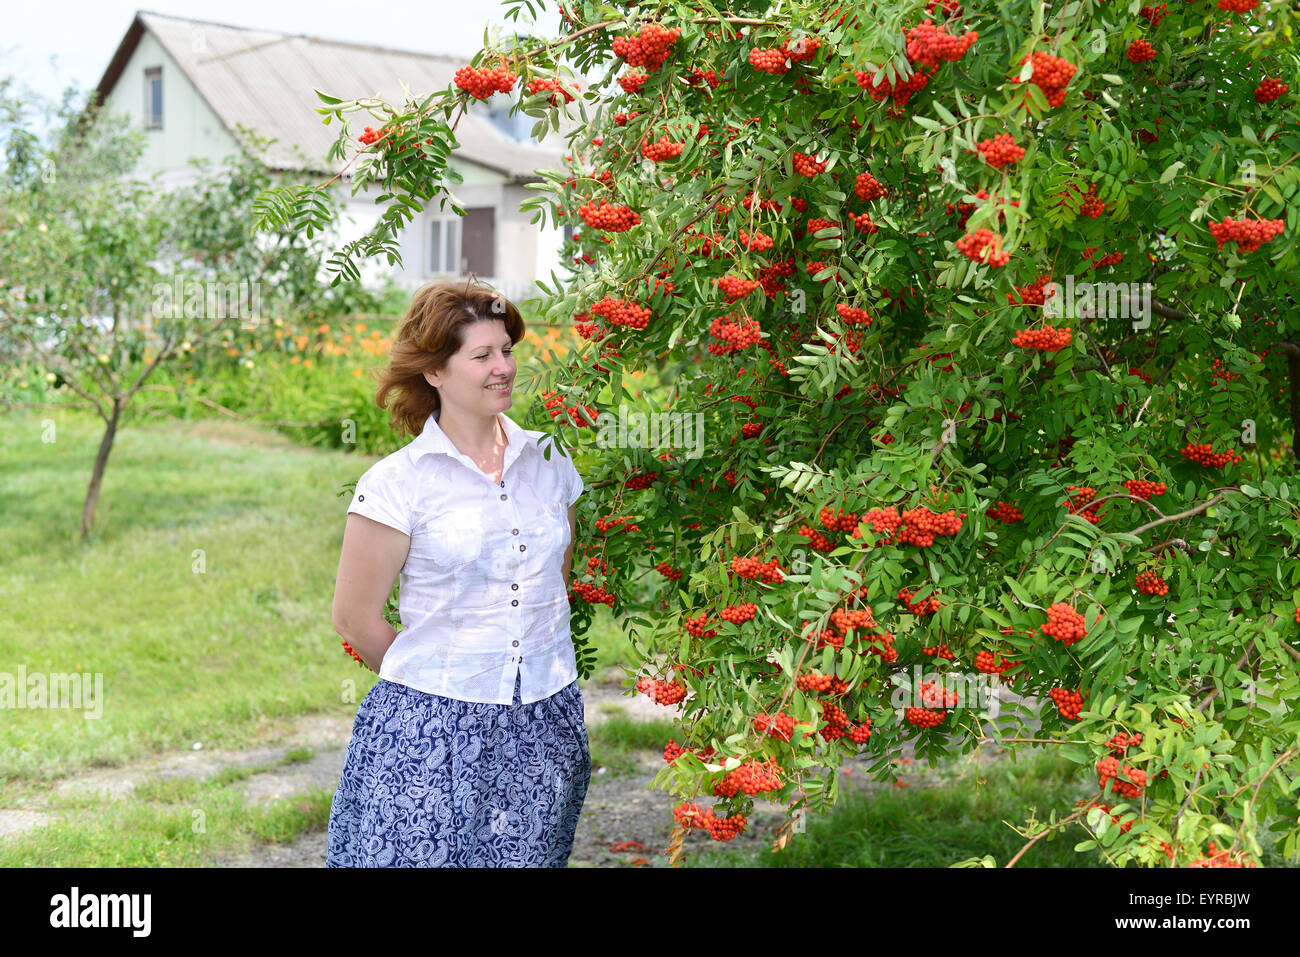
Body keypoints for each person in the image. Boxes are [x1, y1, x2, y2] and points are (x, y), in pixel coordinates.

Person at [326, 278, 590, 867]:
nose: (503, 367)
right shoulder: (397, 484)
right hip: (432, 733)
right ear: (435, 372)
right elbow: (354, 617)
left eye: (507, 350)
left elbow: (553, 586)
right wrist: (441, 685)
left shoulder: (550, 463)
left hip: (544, 721)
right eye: (482, 355)